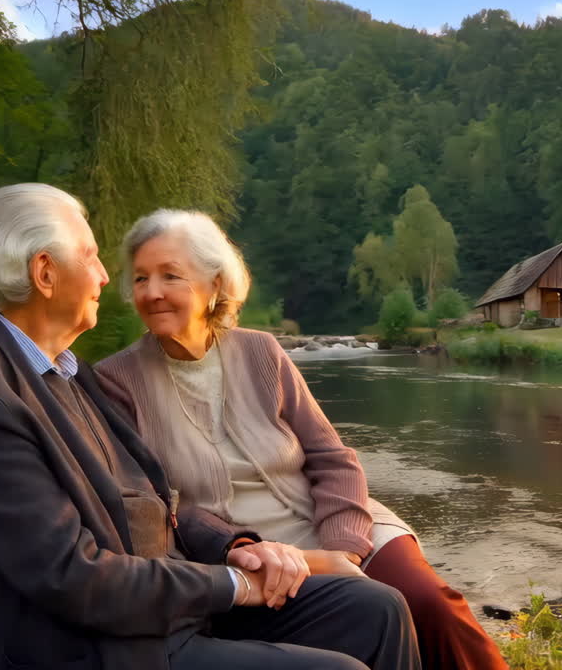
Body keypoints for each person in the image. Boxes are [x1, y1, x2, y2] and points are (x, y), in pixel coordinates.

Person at [0, 184, 421, 670]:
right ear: (45, 272)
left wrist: (236, 547)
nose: (106, 277)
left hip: (156, 608)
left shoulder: (59, 373)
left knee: (376, 608)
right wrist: (234, 584)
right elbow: (72, 578)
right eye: (91, 257)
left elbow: (155, 500)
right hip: (91, 646)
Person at [96, 209, 508, 670]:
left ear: (214, 284)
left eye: (170, 275)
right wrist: (253, 551)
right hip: (246, 553)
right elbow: (154, 505)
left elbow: (332, 459)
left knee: (430, 604)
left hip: (338, 520)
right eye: (140, 279)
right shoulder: (116, 382)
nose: (151, 293)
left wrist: (342, 549)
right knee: (366, 616)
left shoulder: (261, 352)